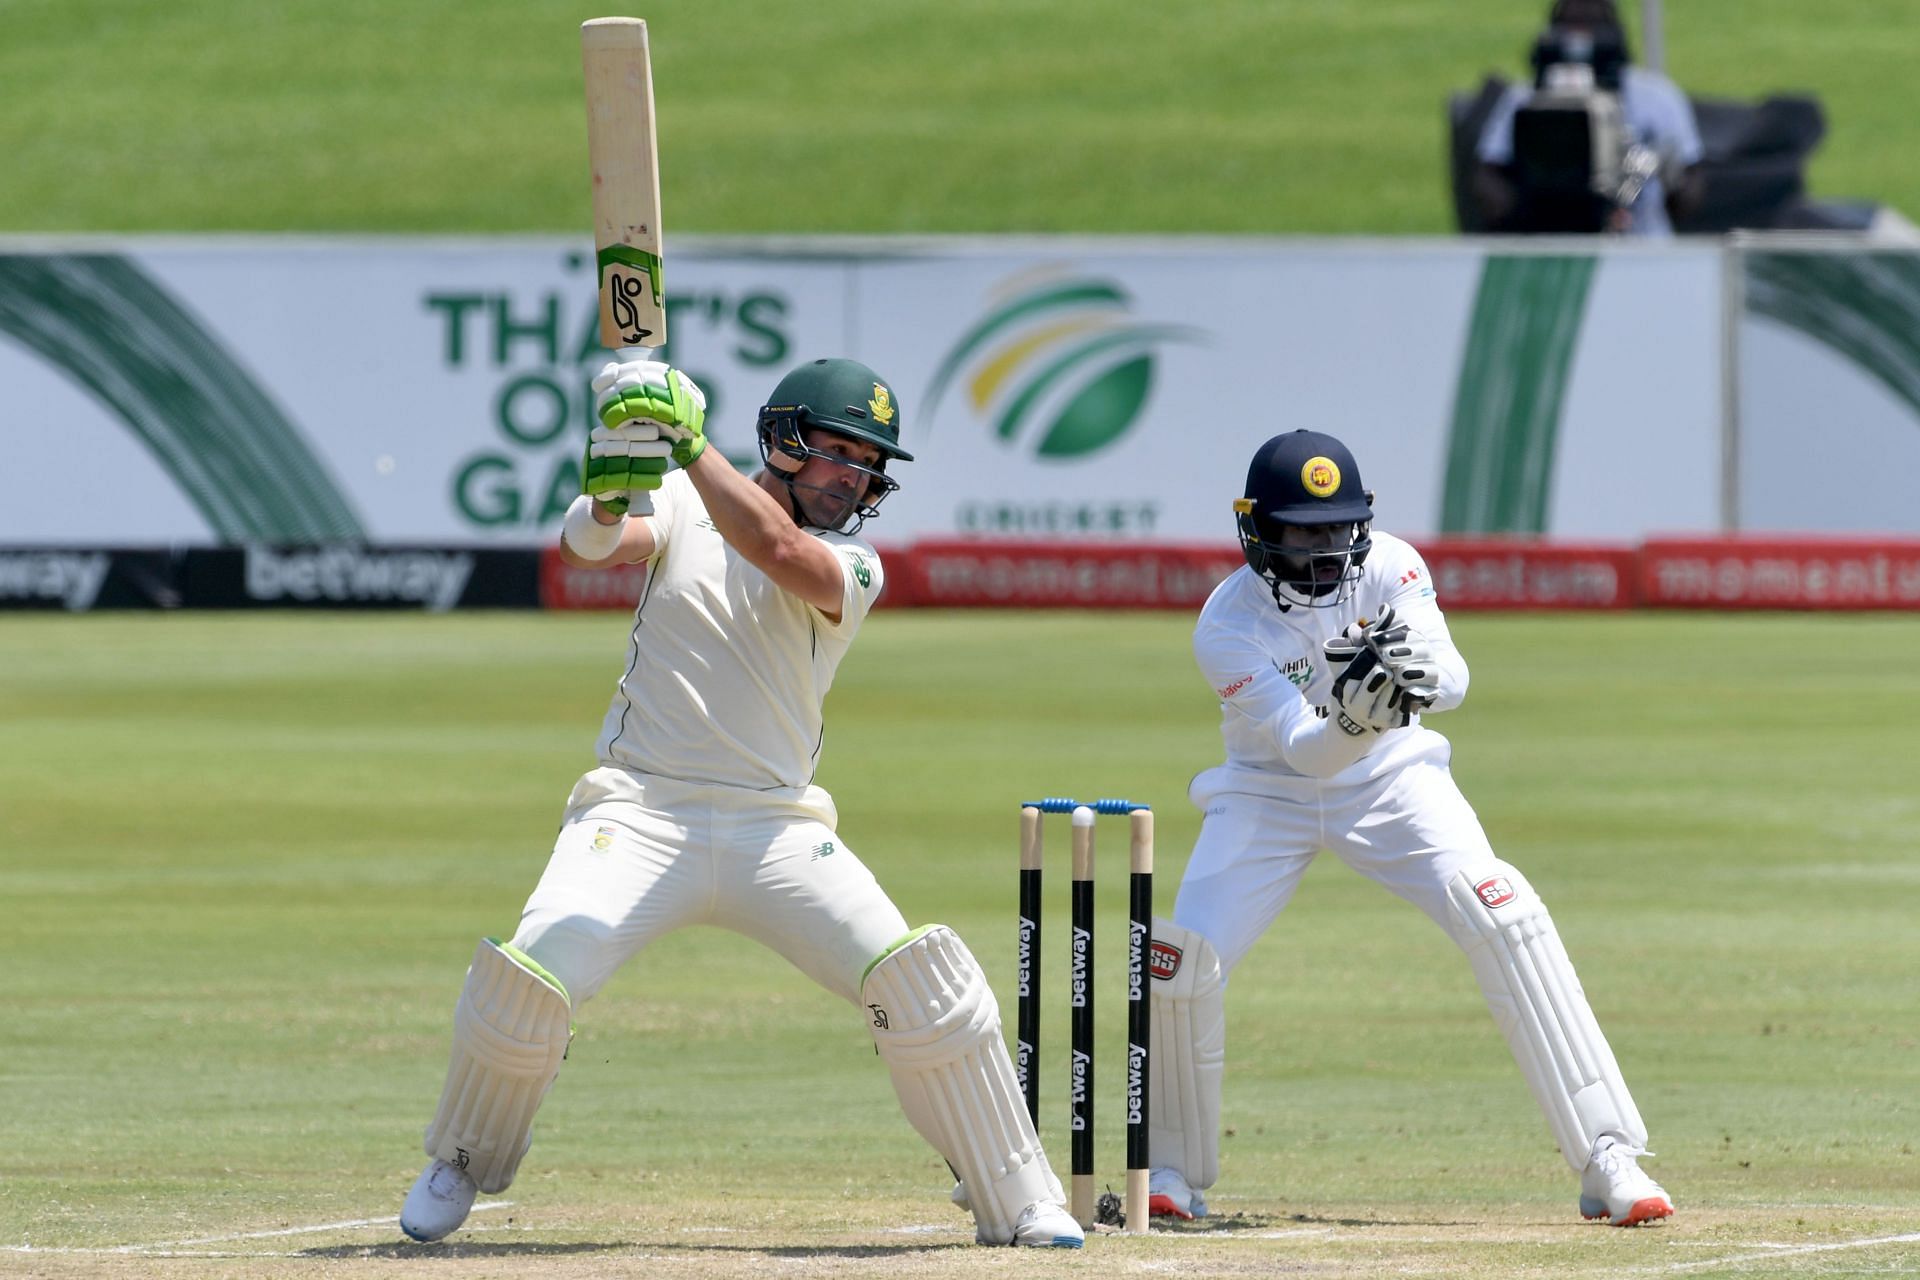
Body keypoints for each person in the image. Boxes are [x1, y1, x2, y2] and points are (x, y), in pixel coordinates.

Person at [398, 356, 1082, 1249]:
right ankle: (460, 1158)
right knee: (527, 978)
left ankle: (1017, 1191)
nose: (853, 476)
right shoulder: (681, 505)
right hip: (640, 812)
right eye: (837, 450)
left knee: (926, 986)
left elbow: (776, 550)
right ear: (785, 439)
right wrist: (609, 493)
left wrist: (684, 444)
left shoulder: (852, 564)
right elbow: (591, 548)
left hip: (776, 830)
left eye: (868, 463)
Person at [1143, 429, 1674, 1228]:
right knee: (1182, 961)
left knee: (1503, 912)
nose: (1325, 550)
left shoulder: (1392, 564)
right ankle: (1171, 1172)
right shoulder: (1226, 625)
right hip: (1266, 795)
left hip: (1396, 783)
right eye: (1301, 530)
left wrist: (1400, 680)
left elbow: (1452, 678)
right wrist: (1356, 711)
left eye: (1337, 529)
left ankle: (1610, 1158)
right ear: (1257, 531)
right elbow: (1305, 751)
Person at [1474, 0, 1704, 235]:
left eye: (1590, 24)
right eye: (1570, 25)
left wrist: (1667, 177)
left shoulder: (1656, 99)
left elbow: (1690, 182)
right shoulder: (1523, 100)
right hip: (1546, 246)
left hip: (1640, 248)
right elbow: (1488, 175)